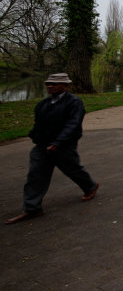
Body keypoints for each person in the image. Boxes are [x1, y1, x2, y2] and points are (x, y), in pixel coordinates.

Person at [5, 73, 99, 225]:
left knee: (72, 169)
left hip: (63, 146)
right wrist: (34, 136)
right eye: (48, 84)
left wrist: (58, 143)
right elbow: (39, 123)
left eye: (54, 84)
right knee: (36, 175)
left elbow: (73, 124)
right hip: (42, 146)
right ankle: (32, 208)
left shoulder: (74, 102)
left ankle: (90, 186)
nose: (50, 86)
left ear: (65, 86)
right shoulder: (44, 104)